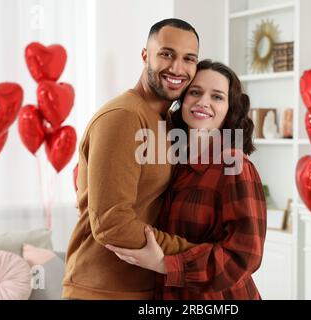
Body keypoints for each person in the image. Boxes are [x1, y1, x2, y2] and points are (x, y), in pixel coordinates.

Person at [62, 19, 200, 300]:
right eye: (166, 54)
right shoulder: (123, 117)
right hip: (101, 289)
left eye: (189, 59)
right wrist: (192, 254)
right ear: (145, 55)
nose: (177, 68)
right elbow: (113, 222)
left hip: (147, 287)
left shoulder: (168, 122)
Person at [107, 60, 267, 300]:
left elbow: (244, 256)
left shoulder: (235, 167)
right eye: (195, 92)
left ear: (230, 109)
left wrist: (166, 265)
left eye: (217, 97)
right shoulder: (169, 160)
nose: (204, 102)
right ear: (182, 100)